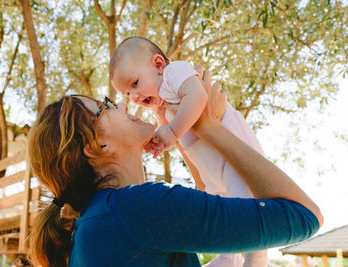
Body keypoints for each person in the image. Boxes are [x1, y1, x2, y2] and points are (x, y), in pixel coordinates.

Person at [27, 70, 323, 267]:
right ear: (98, 147)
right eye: (104, 106)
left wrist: (185, 132)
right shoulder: (138, 208)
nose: (122, 104)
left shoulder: (98, 223)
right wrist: (211, 128)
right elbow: (304, 215)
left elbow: (202, 199)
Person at [109, 36, 268, 266]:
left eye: (134, 84)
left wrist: (171, 132)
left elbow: (199, 96)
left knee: (244, 203)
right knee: (222, 212)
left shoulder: (176, 72)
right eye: (127, 94)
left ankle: (256, 257)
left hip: (231, 153)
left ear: (158, 65)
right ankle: (227, 257)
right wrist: (161, 138)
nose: (134, 97)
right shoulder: (163, 100)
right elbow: (174, 131)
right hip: (211, 165)